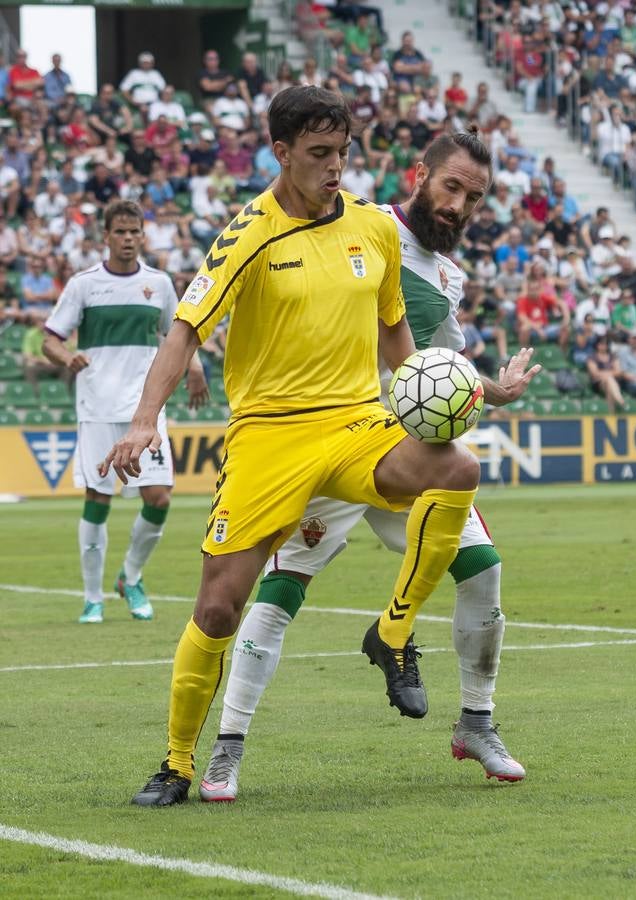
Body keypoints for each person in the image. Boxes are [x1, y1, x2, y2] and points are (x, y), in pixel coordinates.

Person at [100, 86, 483, 807]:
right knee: (218, 608)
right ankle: (178, 763)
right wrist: (143, 421)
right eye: (318, 155)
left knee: (457, 465)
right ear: (280, 153)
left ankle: (392, 630)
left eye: (342, 153)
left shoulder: (372, 229)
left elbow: (397, 336)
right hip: (269, 437)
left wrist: (437, 394)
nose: (335, 167)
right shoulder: (249, 232)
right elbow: (184, 329)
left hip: (354, 425)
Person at [199, 131, 537, 803]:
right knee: (278, 591)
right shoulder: (362, 226)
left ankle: (476, 722)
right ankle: (227, 747)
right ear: (420, 174)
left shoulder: (449, 276)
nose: (461, 206)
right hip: (329, 440)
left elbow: (444, 371)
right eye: (451, 188)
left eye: (475, 198)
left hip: (404, 456)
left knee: (483, 571)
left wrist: (494, 389)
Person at [42, 200, 208, 625]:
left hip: (144, 410)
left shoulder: (159, 282)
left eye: (135, 232)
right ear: (106, 236)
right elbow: (50, 339)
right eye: (120, 232)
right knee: (98, 498)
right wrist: (67, 358)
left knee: (159, 497)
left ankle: (130, 578)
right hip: (97, 407)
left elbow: (180, 333)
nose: (129, 239)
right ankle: (92, 597)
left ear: (143, 236)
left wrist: (194, 368)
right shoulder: (84, 284)